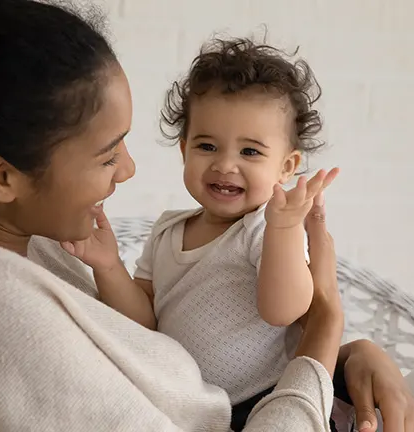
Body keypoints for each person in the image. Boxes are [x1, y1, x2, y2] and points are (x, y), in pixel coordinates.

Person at [0, 0, 414, 431]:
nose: (129, 172)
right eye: (107, 155)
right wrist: (327, 331)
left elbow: (218, 327)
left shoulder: (18, 250)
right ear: (1, 175)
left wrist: (345, 357)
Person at [58, 37, 342, 431]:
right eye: (207, 146)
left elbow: (284, 311)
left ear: (286, 167)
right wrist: (109, 267)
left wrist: (286, 228)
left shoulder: (263, 230)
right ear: (184, 149)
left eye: (250, 152)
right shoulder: (168, 230)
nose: (225, 165)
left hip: (263, 402)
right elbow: (146, 322)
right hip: (185, 404)